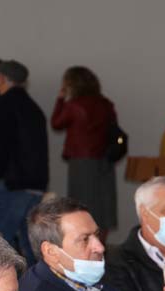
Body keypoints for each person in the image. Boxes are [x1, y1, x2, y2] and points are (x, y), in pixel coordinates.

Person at [0, 60, 48, 264]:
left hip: (13, 182)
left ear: (2, 78)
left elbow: (0, 145)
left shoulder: (4, 105)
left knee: (0, 241)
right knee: (30, 241)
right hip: (35, 182)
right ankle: (39, 279)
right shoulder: (33, 107)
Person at [50, 66, 118, 237]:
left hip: (81, 160)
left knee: (81, 204)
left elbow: (56, 123)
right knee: (104, 203)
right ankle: (101, 242)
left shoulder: (74, 105)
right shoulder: (105, 104)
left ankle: (85, 242)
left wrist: (60, 99)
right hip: (104, 158)